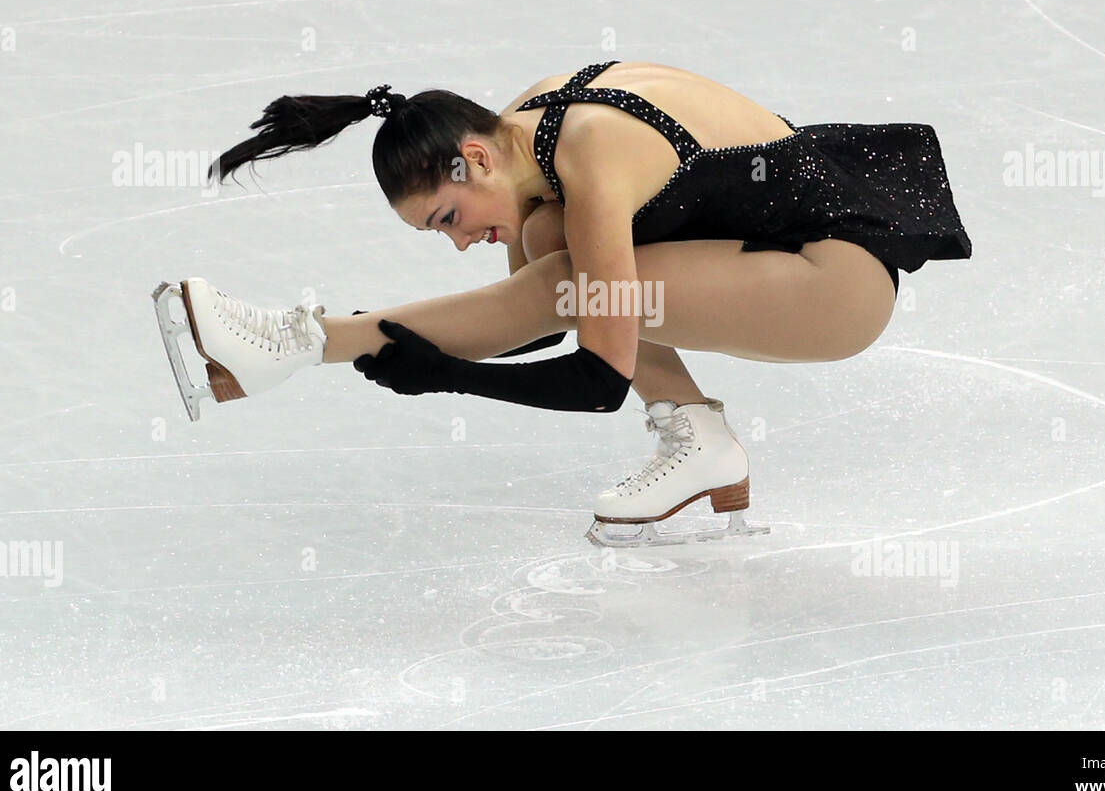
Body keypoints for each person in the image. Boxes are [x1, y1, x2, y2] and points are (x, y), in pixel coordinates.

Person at [152, 60, 972, 546]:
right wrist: (408, 352)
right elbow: (523, 320)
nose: (460, 239)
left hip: (836, 282)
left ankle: (292, 343)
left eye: (447, 217)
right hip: (768, 254)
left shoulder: (591, 157)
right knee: (551, 251)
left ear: (472, 158)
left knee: (566, 272)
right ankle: (703, 438)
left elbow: (595, 377)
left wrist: (439, 374)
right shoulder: (523, 136)